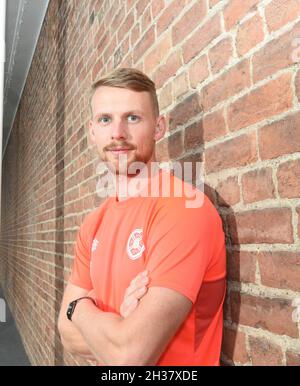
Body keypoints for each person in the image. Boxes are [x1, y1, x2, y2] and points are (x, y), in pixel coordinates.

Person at [58, 68, 226, 366]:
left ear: (158, 127)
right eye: (105, 119)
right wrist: (116, 325)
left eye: (132, 118)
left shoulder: (183, 209)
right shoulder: (93, 224)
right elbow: (66, 335)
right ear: (92, 131)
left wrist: (79, 307)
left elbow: (127, 355)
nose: (118, 133)